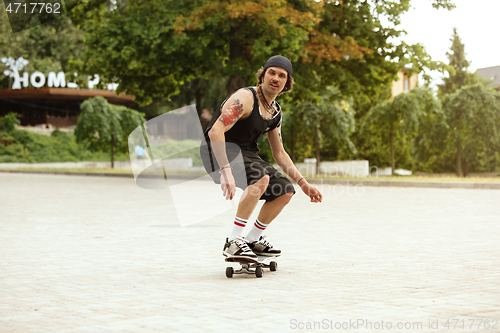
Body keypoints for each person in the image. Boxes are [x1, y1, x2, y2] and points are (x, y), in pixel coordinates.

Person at [202, 55, 323, 259]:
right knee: (261, 178)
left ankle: (253, 239)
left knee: (284, 191)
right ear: (262, 76)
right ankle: (233, 240)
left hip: (246, 153)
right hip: (217, 150)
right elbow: (215, 132)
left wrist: (304, 184)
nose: (276, 78)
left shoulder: (275, 112)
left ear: (287, 83)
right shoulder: (245, 98)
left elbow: (279, 153)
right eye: (272, 72)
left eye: (282, 75)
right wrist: (226, 171)